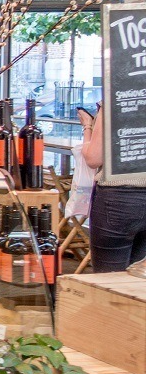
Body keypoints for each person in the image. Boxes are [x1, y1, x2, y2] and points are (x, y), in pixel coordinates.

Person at [81, 105, 146, 272]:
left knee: (107, 282)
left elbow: (93, 158)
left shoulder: (118, 94)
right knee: (138, 282)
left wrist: (87, 126)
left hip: (118, 198)